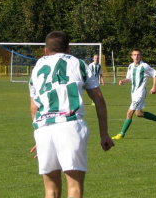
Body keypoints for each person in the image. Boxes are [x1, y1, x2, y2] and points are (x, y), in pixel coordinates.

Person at [28, 31, 114, 198]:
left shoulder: (37, 67)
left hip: (43, 129)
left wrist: (38, 136)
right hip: (70, 125)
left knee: (50, 190)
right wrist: (104, 133)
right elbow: (99, 98)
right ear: (69, 49)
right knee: (74, 189)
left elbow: (33, 107)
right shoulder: (79, 63)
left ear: (45, 51)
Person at [111, 49, 156, 140]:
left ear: (140, 56)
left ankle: (121, 134)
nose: (136, 56)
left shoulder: (144, 66)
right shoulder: (130, 66)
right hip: (133, 93)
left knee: (129, 112)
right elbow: (129, 78)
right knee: (139, 113)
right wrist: (123, 81)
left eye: (138, 55)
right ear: (131, 56)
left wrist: (154, 87)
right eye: (134, 55)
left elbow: (155, 74)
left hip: (140, 93)